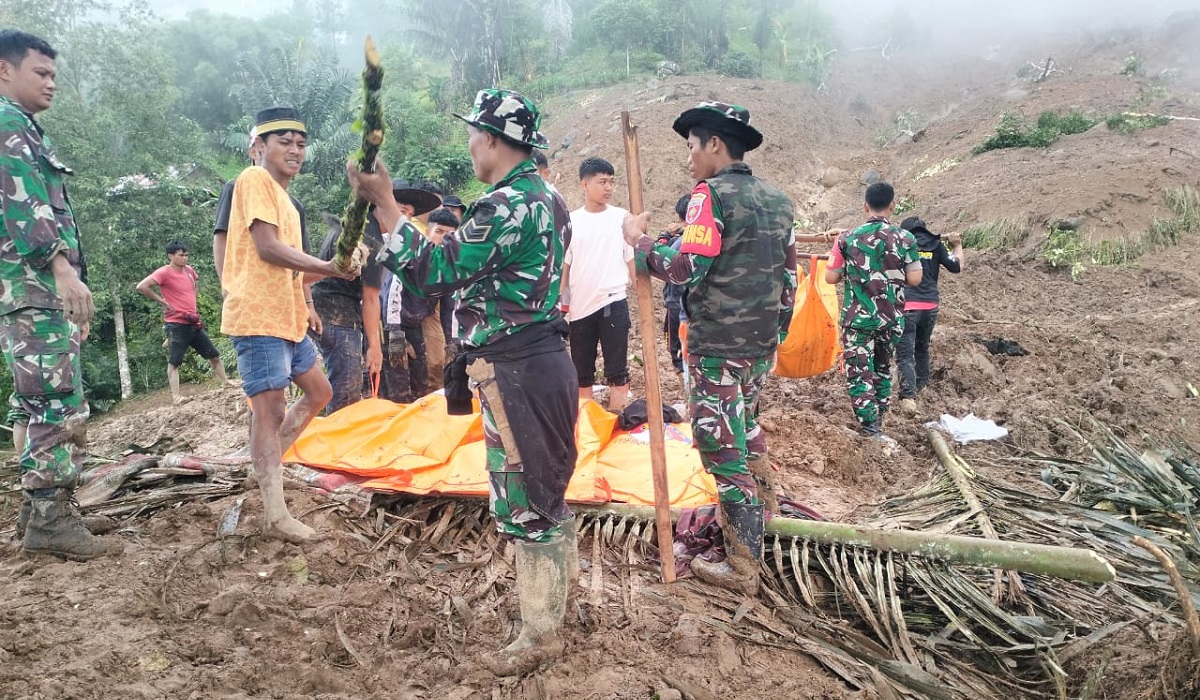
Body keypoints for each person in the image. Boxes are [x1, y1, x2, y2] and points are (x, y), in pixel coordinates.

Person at [348, 88, 576, 676]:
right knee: (545, 488)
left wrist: (385, 205)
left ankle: (542, 634)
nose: (470, 144)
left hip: (518, 369)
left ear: (495, 140)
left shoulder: (504, 205)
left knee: (528, 496)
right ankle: (551, 615)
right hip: (541, 360)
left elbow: (435, 272)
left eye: (475, 134)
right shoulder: (548, 199)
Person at [621, 102, 796, 594]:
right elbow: (790, 281)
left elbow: (684, 269)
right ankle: (768, 514)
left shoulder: (709, 196)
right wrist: (773, 339)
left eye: (692, 147)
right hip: (758, 347)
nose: (690, 159)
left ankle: (742, 566)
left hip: (718, 345)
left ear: (715, 144)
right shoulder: (779, 201)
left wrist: (640, 240)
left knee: (720, 445)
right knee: (748, 424)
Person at [0, 29, 118, 559]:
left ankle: (36, 511)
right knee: (54, 402)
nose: (51, 84)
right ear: (6, 70)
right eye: (40, 73)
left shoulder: (22, 127)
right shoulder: (8, 126)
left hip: (28, 290)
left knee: (35, 399)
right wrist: (63, 271)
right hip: (35, 285)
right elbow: (27, 209)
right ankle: (50, 523)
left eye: (54, 75)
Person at [221, 107, 359, 543]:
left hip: (287, 316)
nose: (295, 150)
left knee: (320, 392)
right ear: (259, 146)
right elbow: (266, 249)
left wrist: (335, 272)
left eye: (301, 143)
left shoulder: (288, 202)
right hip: (259, 315)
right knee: (271, 410)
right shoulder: (253, 180)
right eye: (284, 141)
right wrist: (327, 265)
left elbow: (293, 271)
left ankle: (267, 472)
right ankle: (276, 513)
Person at [824, 183, 922, 443]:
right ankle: (878, 421)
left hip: (857, 320)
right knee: (881, 368)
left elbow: (830, 277)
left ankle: (870, 428)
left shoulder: (846, 238)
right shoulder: (907, 239)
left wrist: (847, 263)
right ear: (892, 205)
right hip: (891, 318)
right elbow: (914, 279)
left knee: (859, 371)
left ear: (865, 206)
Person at [563, 157, 634, 410]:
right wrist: (560, 305)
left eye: (611, 182)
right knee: (582, 371)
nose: (608, 188)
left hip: (612, 301)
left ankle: (620, 417)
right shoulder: (571, 221)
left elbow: (632, 261)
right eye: (602, 181)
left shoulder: (622, 218)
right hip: (580, 308)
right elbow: (565, 267)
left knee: (617, 370)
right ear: (584, 184)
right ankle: (588, 427)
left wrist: (643, 297)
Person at [136, 240, 230, 403]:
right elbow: (142, 286)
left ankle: (226, 383)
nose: (185, 258)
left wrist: (193, 306)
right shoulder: (164, 272)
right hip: (176, 323)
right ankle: (176, 396)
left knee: (213, 354)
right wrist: (162, 301)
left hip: (192, 321)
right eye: (181, 255)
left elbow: (194, 287)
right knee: (175, 360)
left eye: (186, 255)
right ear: (171, 256)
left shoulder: (190, 271)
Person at [309, 213, 384, 414]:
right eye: (402, 212)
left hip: (320, 307)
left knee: (327, 388)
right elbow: (370, 298)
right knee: (346, 391)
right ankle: (338, 439)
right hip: (339, 316)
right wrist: (374, 347)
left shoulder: (350, 225)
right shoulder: (371, 237)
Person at [377, 180, 440, 403]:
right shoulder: (384, 242)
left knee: (420, 382)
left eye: (410, 215)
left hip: (414, 323)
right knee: (397, 384)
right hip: (388, 324)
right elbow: (392, 288)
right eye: (402, 212)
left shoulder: (421, 243)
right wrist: (394, 332)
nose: (407, 220)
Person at [895, 216, 963, 413]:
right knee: (922, 348)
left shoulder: (902, 245)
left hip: (907, 306)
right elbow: (956, 266)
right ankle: (921, 386)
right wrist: (957, 245)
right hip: (930, 306)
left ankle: (908, 396)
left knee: (905, 354)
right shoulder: (936, 245)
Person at [658, 194, 691, 373]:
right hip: (697, 307)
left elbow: (656, 257)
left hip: (677, 303)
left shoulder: (677, 243)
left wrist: (665, 236)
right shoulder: (709, 239)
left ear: (680, 217)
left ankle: (687, 393)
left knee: (678, 355)